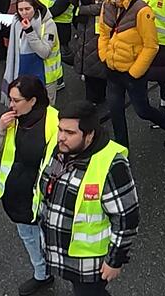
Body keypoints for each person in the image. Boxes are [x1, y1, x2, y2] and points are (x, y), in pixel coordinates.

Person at [39, 100, 139, 296]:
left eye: (70, 133)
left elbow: (127, 219)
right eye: (60, 130)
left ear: (89, 135)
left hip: (90, 264)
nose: (61, 137)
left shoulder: (112, 165)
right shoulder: (58, 146)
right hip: (62, 252)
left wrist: (115, 260)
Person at [0, 75, 57, 296]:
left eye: (16, 100)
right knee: (29, 238)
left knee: (48, 238)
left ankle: (55, 269)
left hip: (41, 199)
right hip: (16, 198)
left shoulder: (54, 122)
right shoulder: (12, 120)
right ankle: (42, 273)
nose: (10, 105)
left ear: (32, 101)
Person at [98, 0, 165, 148]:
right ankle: (122, 149)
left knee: (142, 110)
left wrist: (135, 71)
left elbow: (151, 45)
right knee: (115, 111)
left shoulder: (142, 11)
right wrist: (104, 56)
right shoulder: (106, 6)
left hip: (133, 73)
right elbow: (102, 33)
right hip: (113, 69)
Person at [2, 0, 62, 104]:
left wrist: (30, 31)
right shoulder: (17, 23)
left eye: (27, 9)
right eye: (20, 9)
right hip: (24, 75)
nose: (24, 13)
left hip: (45, 75)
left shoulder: (48, 24)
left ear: (35, 7)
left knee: (45, 109)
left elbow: (44, 52)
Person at [71, 0, 112, 106]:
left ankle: (96, 98)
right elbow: (74, 1)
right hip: (84, 26)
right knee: (88, 61)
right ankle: (93, 96)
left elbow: (102, 6)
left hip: (97, 29)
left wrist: (80, 10)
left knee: (96, 64)